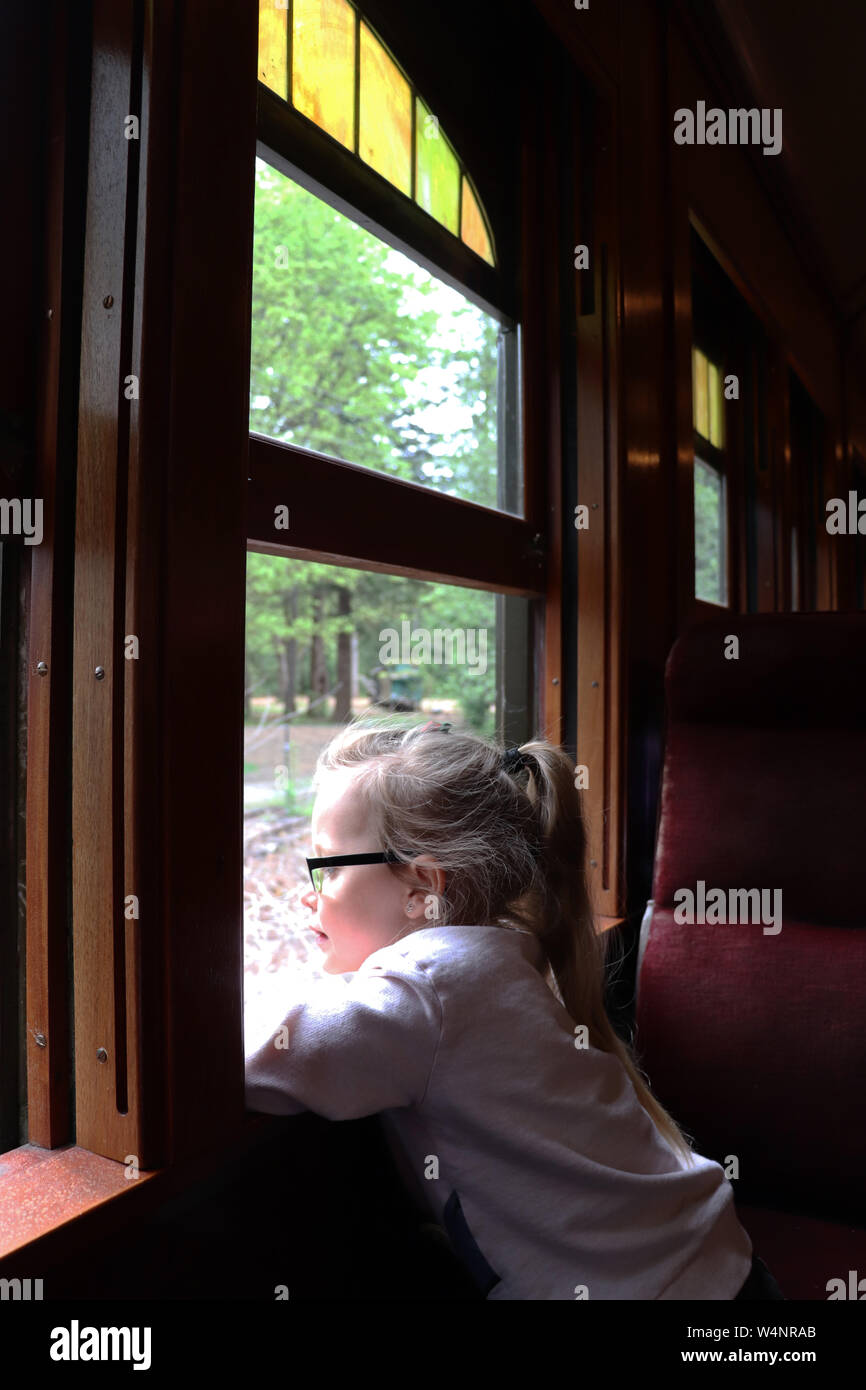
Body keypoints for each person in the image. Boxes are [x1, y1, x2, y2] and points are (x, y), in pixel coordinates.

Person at [244, 718, 785, 1301]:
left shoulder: (425, 991)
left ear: (422, 887)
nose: (308, 892)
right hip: (717, 1261)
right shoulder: (492, 960)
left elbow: (254, 1053)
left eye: (327, 867)